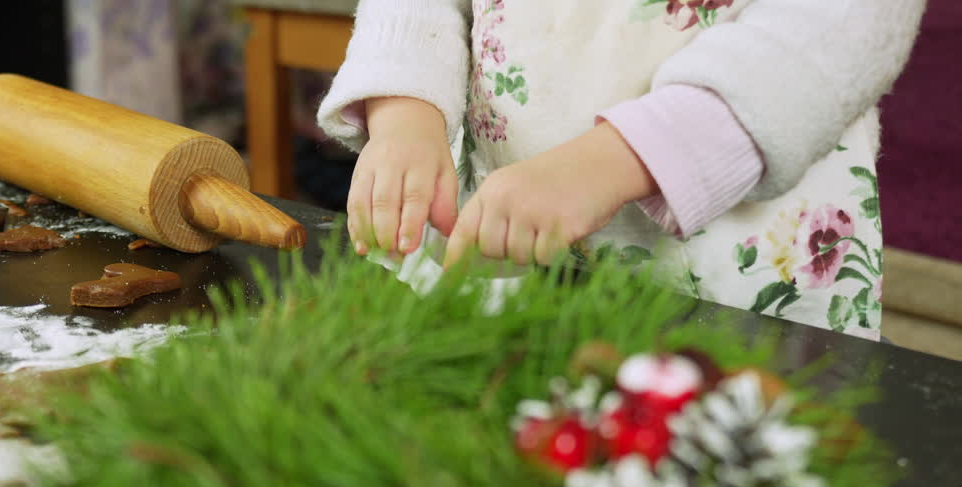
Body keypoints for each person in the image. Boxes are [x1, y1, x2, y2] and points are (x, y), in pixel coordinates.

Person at [317, 0, 926, 339]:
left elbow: (841, 28)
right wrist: (406, 114)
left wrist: (607, 166)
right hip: (505, 252)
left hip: (739, 270)